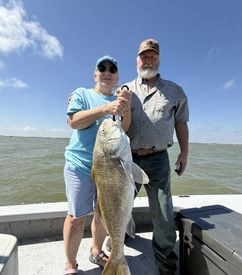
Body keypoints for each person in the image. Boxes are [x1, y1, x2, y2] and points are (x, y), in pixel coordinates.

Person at [63, 55, 131, 274]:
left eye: (112, 69)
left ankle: (96, 250)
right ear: (95, 74)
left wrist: (125, 108)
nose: (107, 71)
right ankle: (71, 263)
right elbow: (74, 121)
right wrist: (105, 110)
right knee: (76, 218)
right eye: (102, 68)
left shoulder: (119, 100)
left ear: (117, 77)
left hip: (110, 167)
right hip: (80, 166)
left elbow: (125, 129)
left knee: (102, 216)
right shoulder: (82, 93)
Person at [126, 38, 189, 275]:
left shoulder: (175, 91)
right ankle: (118, 237)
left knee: (163, 214)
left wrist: (184, 152)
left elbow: (181, 123)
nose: (148, 59)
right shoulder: (126, 89)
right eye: (144, 56)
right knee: (118, 204)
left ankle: (165, 265)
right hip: (127, 158)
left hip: (159, 159)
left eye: (152, 56)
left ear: (159, 59)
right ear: (137, 60)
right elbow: (110, 114)